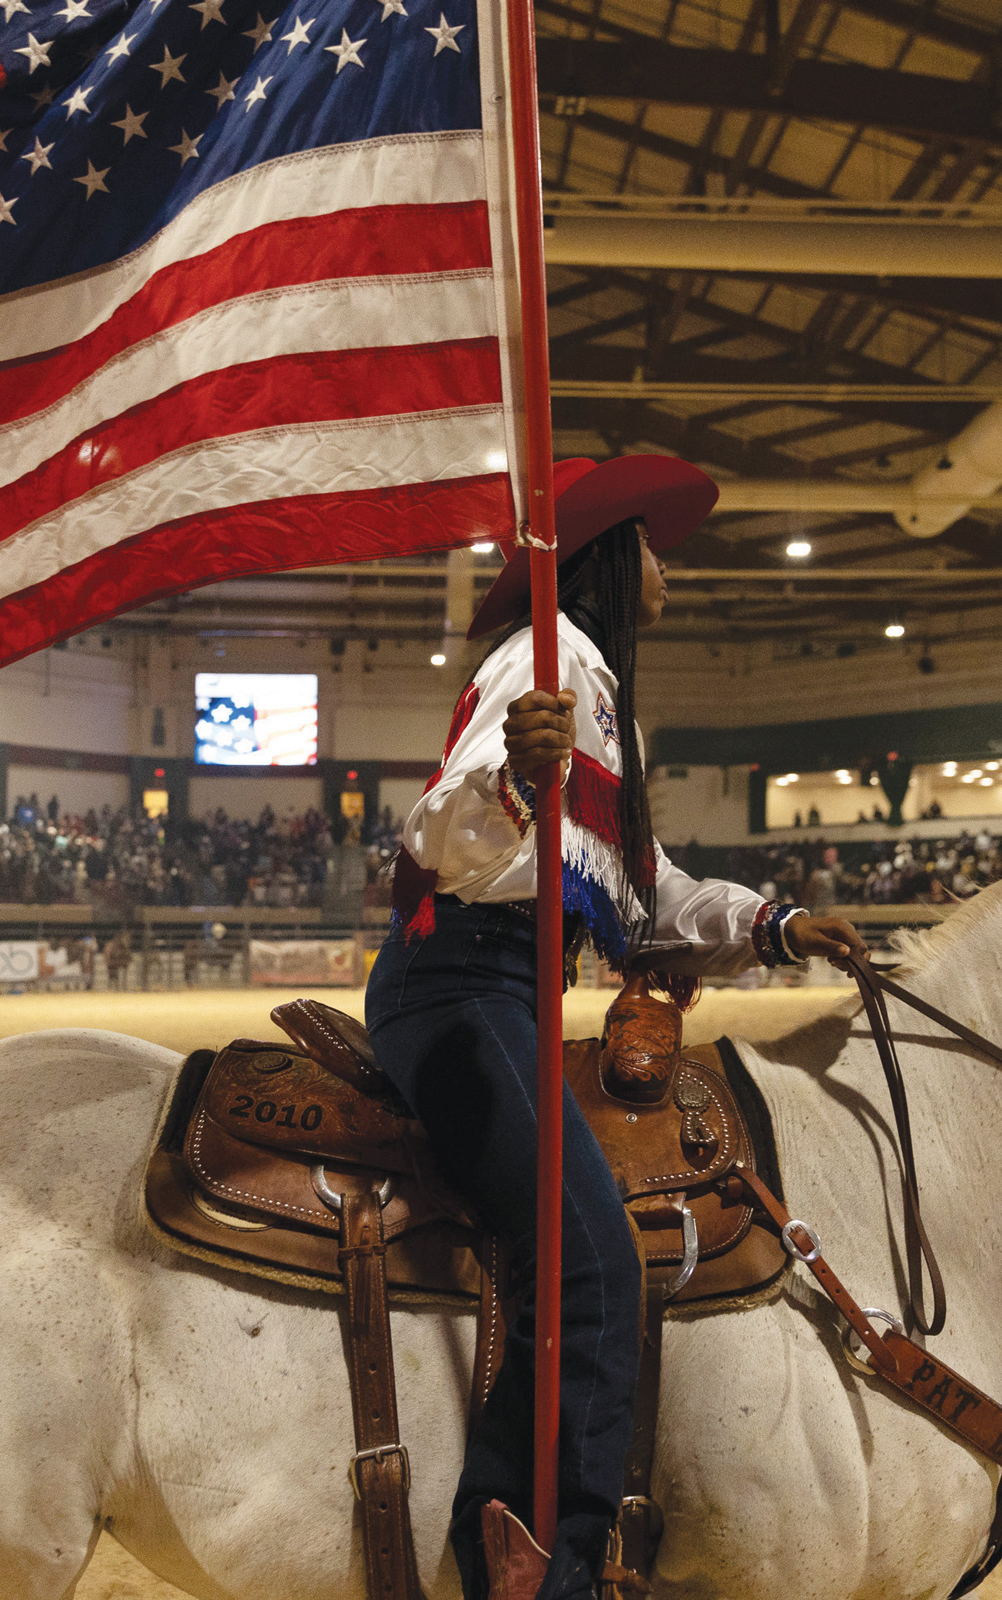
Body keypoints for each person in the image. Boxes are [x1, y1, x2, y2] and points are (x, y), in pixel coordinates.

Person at [372, 456, 867, 1600]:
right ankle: (546, 1571)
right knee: (593, 1258)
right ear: (603, 554)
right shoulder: (546, 662)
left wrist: (773, 924)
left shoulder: (593, 690)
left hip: (495, 989)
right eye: (651, 546)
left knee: (583, 1243)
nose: (667, 568)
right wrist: (512, 776)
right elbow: (434, 834)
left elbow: (642, 894)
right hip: (460, 989)